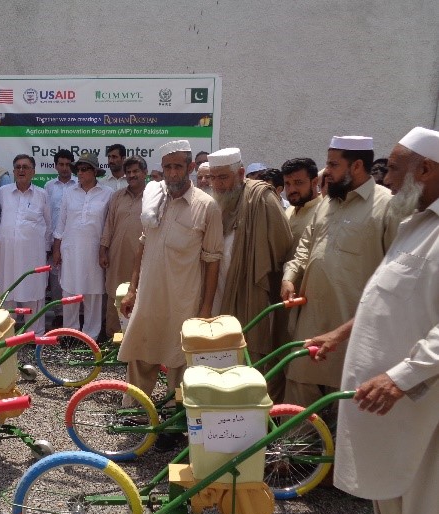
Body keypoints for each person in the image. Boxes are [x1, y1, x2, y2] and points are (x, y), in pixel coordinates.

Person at [305, 126, 439, 514]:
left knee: (423, 510)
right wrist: (341, 333)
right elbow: (386, 298)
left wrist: (400, 378)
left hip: (422, 407)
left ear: (428, 169)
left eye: (396, 169)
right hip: (389, 410)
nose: (387, 179)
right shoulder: (415, 223)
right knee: (389, 504)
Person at [281, 136, 397, 407]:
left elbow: (395, 273)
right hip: (309, 320)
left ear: (356, 165)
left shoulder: (386, 206)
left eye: (333, 164)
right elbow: (305, 247)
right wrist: (289, 276)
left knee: (344, 400)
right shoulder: (327, 203)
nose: (327, 171)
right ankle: (295, 451)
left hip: (351, 327)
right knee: (299, 392)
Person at [118, 140, 223, 418]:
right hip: (149, 298)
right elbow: (142, 245)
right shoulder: (154, 200)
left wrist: (205, 310)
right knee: (140, 356)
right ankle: (136, 416)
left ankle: (176, 421)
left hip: (183, 302)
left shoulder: (206, 207)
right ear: (161, 169)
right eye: (168, 167)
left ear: (189, 167)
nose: (173, 173)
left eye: (178, 166)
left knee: (180, 367)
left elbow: (212, 261)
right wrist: (132, 289)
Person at [207, 147, 293, 402]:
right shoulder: (216, 203)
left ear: (241, 173)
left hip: (250, 291)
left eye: (223, 177)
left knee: (249, 353)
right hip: (220, 291)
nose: (218, 185)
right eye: (214, 178)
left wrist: (254, 260)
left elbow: (282, 244)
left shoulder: (261, 198)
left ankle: (249, 410)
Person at [52, 152, 113, 340]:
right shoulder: (69, 193)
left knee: (93, 293)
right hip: (70, 249)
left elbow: (108, 226)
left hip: (95, 251)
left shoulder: (107, 193)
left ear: (94, 172)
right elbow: (61, 224)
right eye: (78, 169)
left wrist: (105, 251)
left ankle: (90, 337)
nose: (80, 173)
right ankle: (70, 334)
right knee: (69, 290)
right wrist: (56, 249)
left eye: (85, 169)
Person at [0, 155, 51, 335]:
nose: (21, 170)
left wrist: (48, 252)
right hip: (7, 258)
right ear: (13, 171)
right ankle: (7, 337)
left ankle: (36, 338)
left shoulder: (42, 195)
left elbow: (48, 226)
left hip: (33, 257)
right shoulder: (3, 192)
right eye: (18, 167)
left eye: (25, 167)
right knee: (7, 294)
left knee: (33, 295)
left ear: (33, 172)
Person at [99, 155, 147, 338]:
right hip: (117, 255)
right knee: (114, 293)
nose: (132, 175)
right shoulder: (117, 197)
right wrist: (103, 250)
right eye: (129, 172)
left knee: (139, 295)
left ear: (145, 173)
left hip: (142, 257)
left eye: (136, 171)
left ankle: (138, 339)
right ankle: (113, 338)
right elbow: (108, 225)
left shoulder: (154, 196)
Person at [44, 149, 77, 328]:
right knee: (56, 280)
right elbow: (46, 216)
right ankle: (59, 314)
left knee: (74, 278)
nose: (64, 168)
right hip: (54, 242)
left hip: (74, 241)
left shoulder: (80, 184)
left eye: (67, 164)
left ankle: (76, 315)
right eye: (61, 164)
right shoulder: (49, 187)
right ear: (55, 166)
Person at [281, 157, 321, 250]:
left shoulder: (322, 212)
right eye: (287, 183)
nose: (292, 190)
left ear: (314, 182)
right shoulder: (289, 209)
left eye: (298, 183)